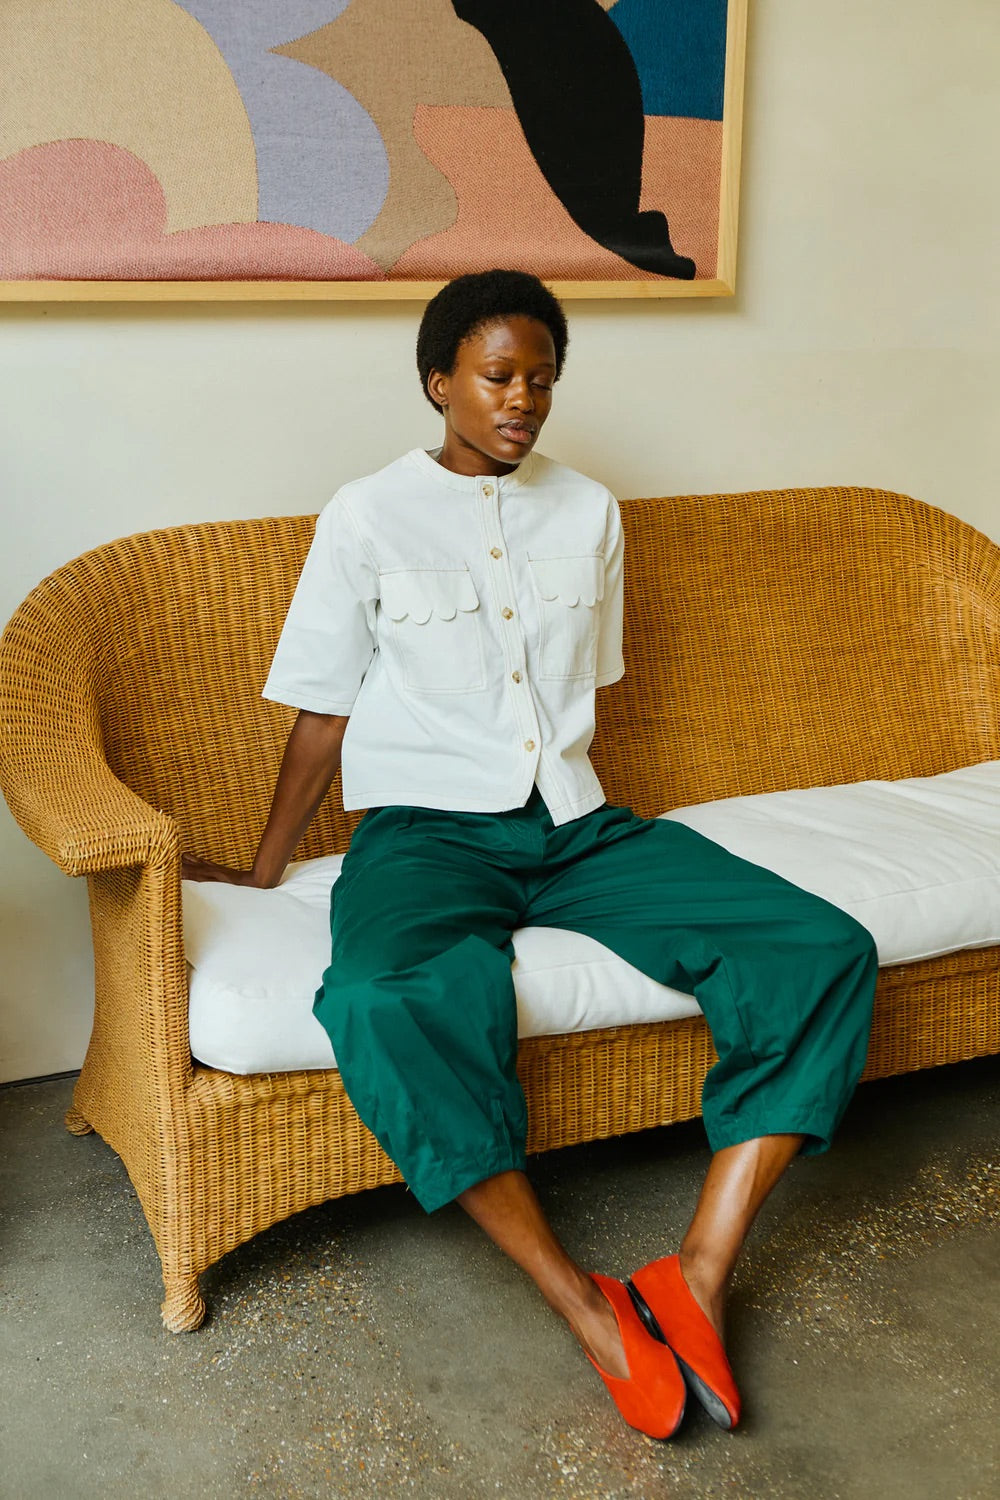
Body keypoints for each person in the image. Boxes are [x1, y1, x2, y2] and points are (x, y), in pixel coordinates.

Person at [183, 269, 878, 1439]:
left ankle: (696, 1273)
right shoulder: (366, 515)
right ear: (438, 381)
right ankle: (586, 1306)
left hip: (572, 819)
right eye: (499, 377)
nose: (523, 401)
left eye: (542, 380)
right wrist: (264, 872)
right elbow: (320, 711)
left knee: (818, 948)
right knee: (386, 995)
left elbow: (574, 692)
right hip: (423, 831)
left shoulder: (588, 510)